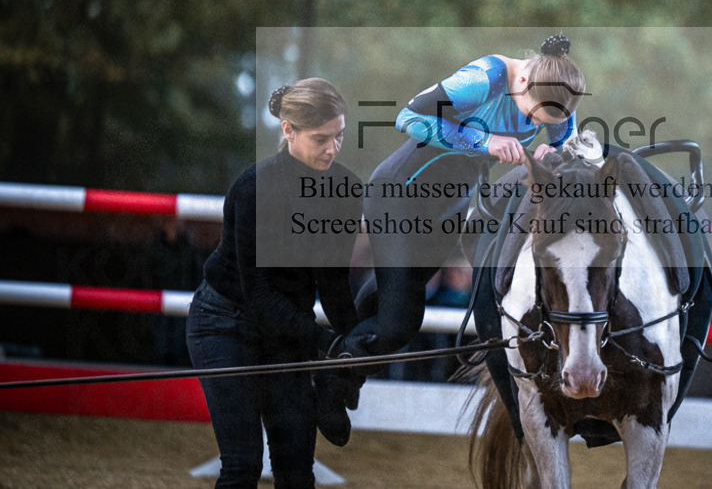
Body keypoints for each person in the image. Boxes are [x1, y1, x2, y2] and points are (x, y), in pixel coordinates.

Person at [340, 34, 585, 434]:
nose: (537, 125)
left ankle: (336, 368)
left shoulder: (555, 96)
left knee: (389, 299)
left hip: (449, 209)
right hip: (401, 193)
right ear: (523, 84)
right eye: (535, 117)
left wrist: (552, 154)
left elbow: (567, 147)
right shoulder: (486, 77)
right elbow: (408, 118)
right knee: (402, 320)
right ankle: (335, 379)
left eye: (545, 123)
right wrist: (485, 141)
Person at [186, 78, 363, 488]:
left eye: (339, 136)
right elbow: (260, 294)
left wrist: (353, 347)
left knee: (297, 470)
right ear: (289, 131)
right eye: (321, 139)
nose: (332, 149)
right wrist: (327, 345)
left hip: (287, 327)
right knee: (243, 464)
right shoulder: (252, 190)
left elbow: (334, 283)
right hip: (225, 323)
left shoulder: (347, 189)